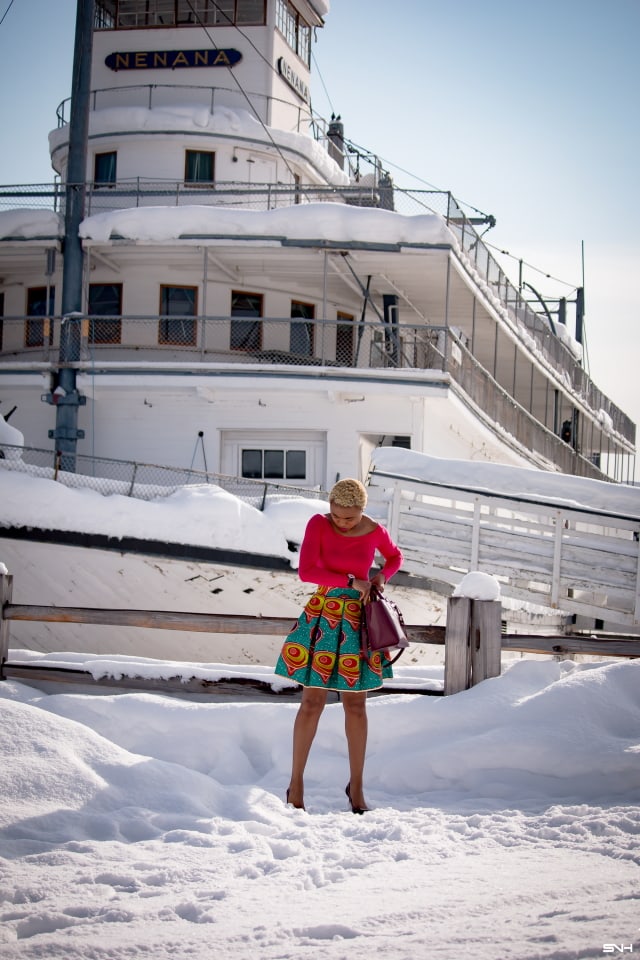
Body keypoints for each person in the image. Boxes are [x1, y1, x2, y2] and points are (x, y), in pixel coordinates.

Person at [274, 478, 403, 814]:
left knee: (356, 706)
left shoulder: (375, 529)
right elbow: (306, 571)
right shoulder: (318, 524)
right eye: (336, 516)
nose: (342, 523)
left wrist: (381, 578)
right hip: (324, 612)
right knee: (312, 701)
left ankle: (356, 788)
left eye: (349, 518)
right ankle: (296, 785)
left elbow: (394, 557)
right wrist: (350, 580)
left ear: (362, 510)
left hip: (359, 619)